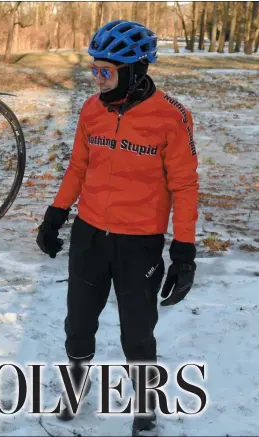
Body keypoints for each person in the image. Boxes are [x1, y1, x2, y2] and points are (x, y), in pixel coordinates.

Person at [36, 20, 199, 436]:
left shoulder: (171, 117)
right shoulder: (92, 110)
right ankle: (75, 383)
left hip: (139, 243)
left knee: (138, 332)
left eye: (106, 72)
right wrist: (55, 215)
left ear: (136, 71)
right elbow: (78, 166)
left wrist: (184, 252)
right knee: (78, 323)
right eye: (94, 70)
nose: (98, 80)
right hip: (89, 235)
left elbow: (184, 186)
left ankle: (144, 408)